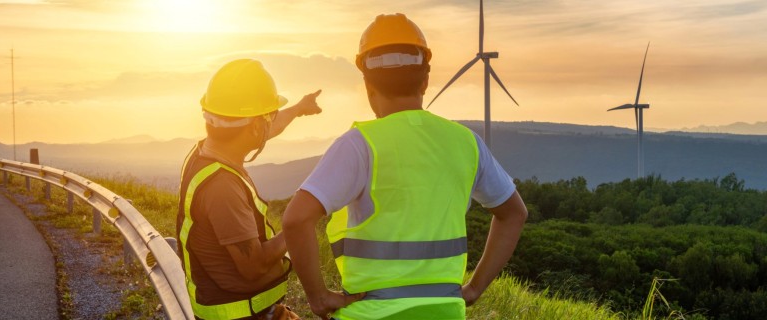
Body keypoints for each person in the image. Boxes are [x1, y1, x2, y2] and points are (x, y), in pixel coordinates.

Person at [282, 13, 528, 320]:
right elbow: (514, 213)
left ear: (367, 84)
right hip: (445, 312)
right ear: (425, 80)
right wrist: (474, 288)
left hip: (371, 313)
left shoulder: (359, 144)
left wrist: (318, 297)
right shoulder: (467, 142)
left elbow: (295, 219)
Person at [177, 58, 321, 320]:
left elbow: (264, 129)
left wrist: (299, 108)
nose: (272, 122)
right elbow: (253, 267)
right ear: (255, 125)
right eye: (269, 116)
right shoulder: (222, 187)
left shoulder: (204, 152)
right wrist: (299, 223)